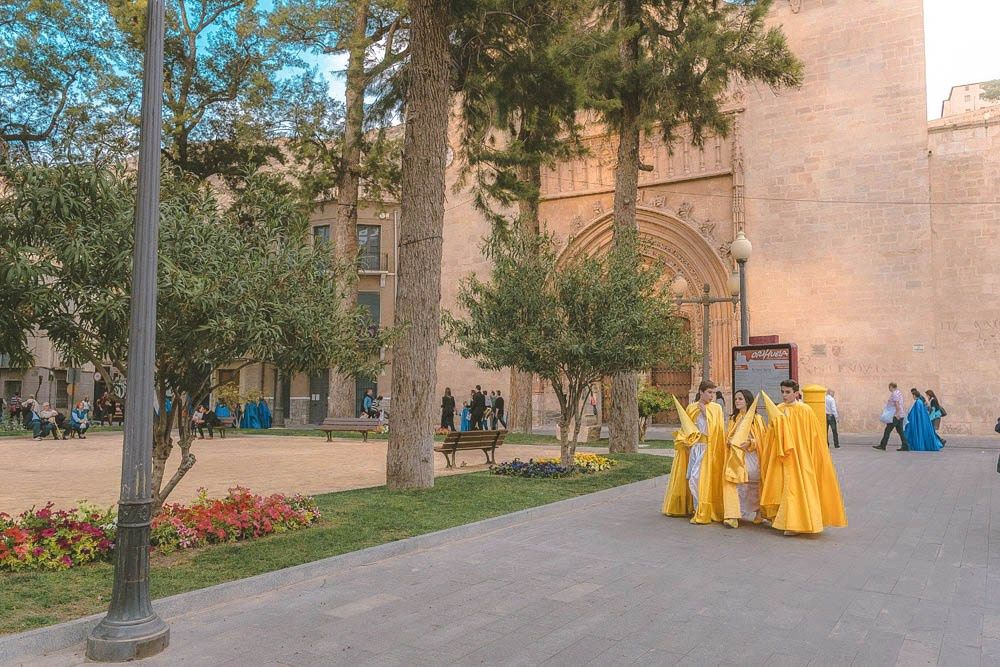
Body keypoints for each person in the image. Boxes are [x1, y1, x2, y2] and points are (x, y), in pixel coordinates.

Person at [759, 380, 847, 535]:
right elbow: (771, 434)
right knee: (783, 487)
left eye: (787, 392)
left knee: (796, 488)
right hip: (782, 455)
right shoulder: (778, 409)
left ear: (796, 393)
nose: (784, 395)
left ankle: (795, 523)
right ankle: (783, 519)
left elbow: (813, 436)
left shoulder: (805, 410)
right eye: (782, 392)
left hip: (800, 456)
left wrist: (810, 456)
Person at [662, 380, 727, 524]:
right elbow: (686, 427)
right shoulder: (691, 408)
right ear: (701, 392)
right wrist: (686, 442)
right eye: (709, 392)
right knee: (692, 477)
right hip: (695, 448)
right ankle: (696, 506)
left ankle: (702, 510)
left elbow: (718, 429)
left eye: (713, 393)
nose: (712, 396)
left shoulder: (716, 408)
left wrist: (706, 414)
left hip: (708, 448)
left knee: (698, 478)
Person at [722, 389, 767, 528]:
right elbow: (729, 434)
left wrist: (750, 443)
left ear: (747, 401)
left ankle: (759, 511)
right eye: (736, 399)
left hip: (751, 456)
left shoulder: (756, 419)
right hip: (736, 457)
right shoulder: (734, 418)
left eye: (740, 399)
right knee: (737, 486)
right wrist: (728, 441)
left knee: (753, 485)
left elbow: (762, 438)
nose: (737, 401)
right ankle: (735, 514)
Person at [874, 382, 909, 451]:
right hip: (900, 415)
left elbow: (897, 404)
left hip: (895, 415)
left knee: (887, 430)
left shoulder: (895, 393)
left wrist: (897, 414)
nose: (889, 389)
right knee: (900, 431)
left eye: (889, 387)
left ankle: (883, 445)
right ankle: (905, 446)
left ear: (891, 387)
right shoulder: (899, 392)